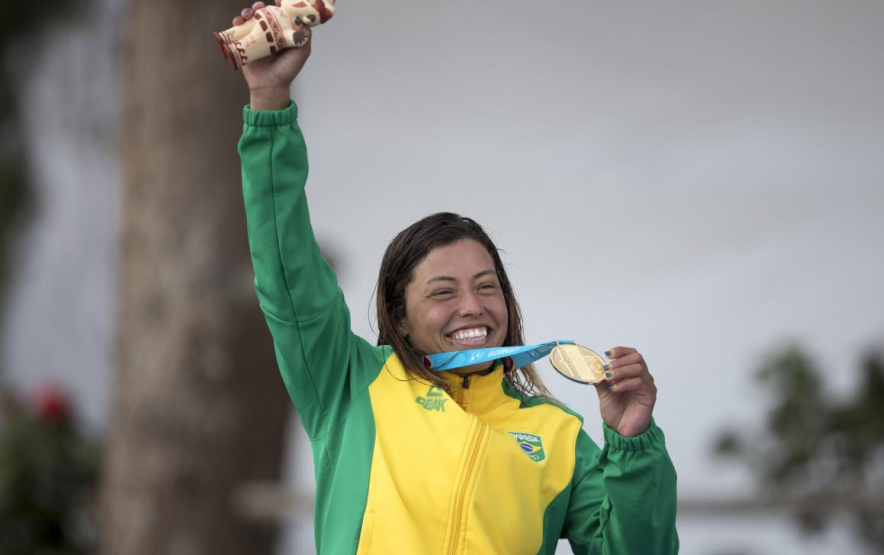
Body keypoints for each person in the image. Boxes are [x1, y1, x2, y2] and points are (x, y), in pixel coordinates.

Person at [232, 4, 678, 553]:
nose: (472, 306)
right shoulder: (350, 385)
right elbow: (287, 269)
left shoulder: (558, 436)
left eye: (487, 286)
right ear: (399, 316)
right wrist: (269, 104)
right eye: (443, 292)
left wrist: (633, 446)